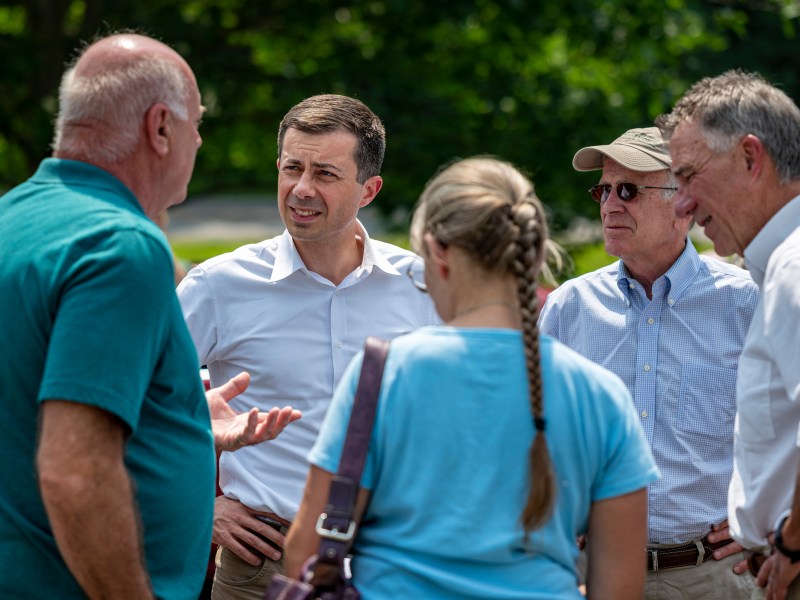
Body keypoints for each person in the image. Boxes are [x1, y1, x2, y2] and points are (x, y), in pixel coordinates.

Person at [0, 33, 299, 600]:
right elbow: (74, 472)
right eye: (197, 123)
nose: (201, 139)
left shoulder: (13, 218)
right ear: (161, 128)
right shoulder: (120, 246)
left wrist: (176, 414)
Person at [284, 156, 659, 599]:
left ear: (439, 253)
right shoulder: (602, 396)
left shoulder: (383, 376)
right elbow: (619, 589)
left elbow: (305, 549)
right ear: (537, 255)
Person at [177, 93, 439, 599]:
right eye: (292, 167)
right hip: (261, 566)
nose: (301, 188)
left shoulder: (424, 286)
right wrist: (198, 506)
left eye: (325, 174)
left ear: (369, 189)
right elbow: (136, 405)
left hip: (396, 566)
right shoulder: (217, 285)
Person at [538, 127, 759, 599]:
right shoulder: (568, 307)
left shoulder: (746, 302)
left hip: (716, 575)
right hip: (591, 574)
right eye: (604, 189)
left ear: (686, 203)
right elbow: (532, 431)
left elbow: (788, 426)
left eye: (629, 190)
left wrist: (768, 515)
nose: (609, 205)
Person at [658, 70, 800, 600]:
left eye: (689, 176)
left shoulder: (792, 266)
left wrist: (791, 546)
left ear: (749, 156)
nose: (681, 204)